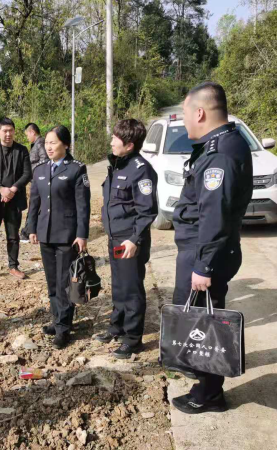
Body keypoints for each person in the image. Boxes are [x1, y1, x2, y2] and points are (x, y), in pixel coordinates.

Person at [170, 82, 252, 414]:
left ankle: (209, 394)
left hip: (205, 251)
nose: (186, 122)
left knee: (204, 324)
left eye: (187, 114)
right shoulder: (221, 144)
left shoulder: (221, 152)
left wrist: (203, 266)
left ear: (200, 112)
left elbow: (215, 215)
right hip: (203, 248)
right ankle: (205, 382)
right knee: (201, 318)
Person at [97, 119, 158, 358]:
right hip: (115, 237)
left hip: (129, 240)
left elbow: (147, 211)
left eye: (116, 139)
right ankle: (117, 327)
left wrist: (134, 239)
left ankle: (133, 339)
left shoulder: (140, 169)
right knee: (119, 286)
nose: (111, 142)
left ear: (130, 145)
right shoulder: (118, 165)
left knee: (132, 289)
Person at [27, 125, 91, 349]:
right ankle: (58, 320)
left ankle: (63, 328)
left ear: (66, 144)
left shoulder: (76, 169)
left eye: (53, 143)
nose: (49, 147)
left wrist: (82, 234)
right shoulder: (40, 170)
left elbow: (83, 206)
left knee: (65, 283)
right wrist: (31, 228)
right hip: (46, 234)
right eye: (47, 143)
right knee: (52, 282)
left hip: (66, 236)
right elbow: (34, 202)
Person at [0, 117, 33, 282]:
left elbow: (27, 174)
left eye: (11, 130)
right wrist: (1, 189)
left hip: (14, 200)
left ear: (14, 131)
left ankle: (13, 266)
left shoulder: (22, 150)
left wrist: (13, 189)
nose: (8, 134)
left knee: (13, 236)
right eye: (4, 131)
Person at [20, 122, 49, 243]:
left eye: (27, 134)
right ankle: (29, 231)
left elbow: (45, 160)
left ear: (32, 132)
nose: (27, 137)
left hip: (40, 180)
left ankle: (27, 232)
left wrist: (31, 169)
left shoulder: (40, 143)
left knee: (34, 206)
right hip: (36, 180)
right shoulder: (36, 144)